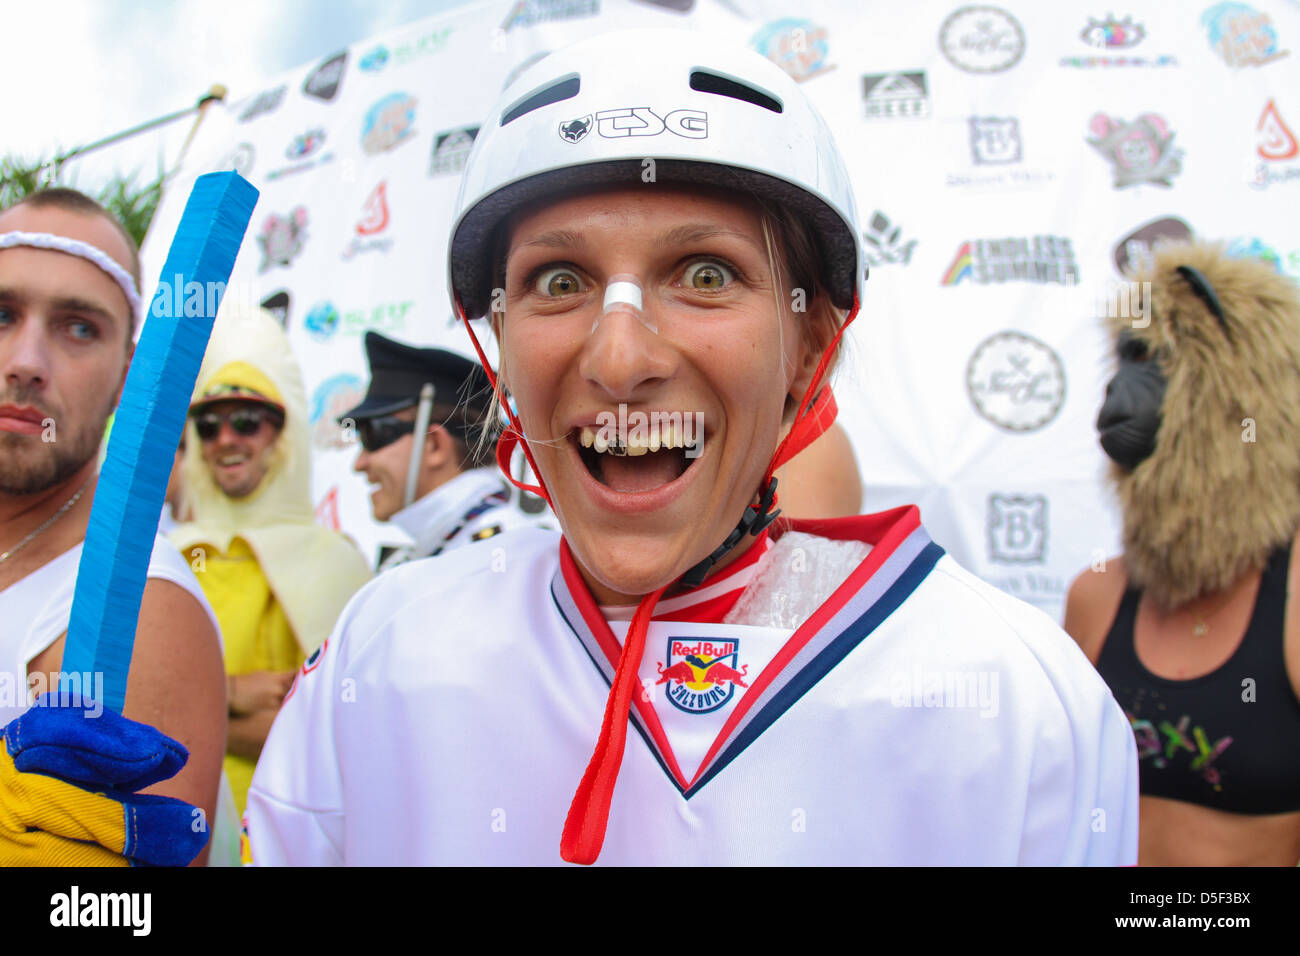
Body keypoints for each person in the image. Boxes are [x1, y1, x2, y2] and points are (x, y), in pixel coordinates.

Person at [247, 29, 1136, 865]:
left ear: (811, 347)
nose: (622, 357)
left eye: (706, 274)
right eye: (559, 281)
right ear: (503, 345)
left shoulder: (1019, 704)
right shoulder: (383, 658)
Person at [0, 187, 225, 864]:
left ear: (130, 377)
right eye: (1, 314)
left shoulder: (141, 610)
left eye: (78, 327)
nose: (26, 362)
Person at [1065, 242, 1300, 865]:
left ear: (1237, 387)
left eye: (1152, 360)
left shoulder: (1293, 600)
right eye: (1124, 357)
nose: (1120, 385)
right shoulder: (1098, 595)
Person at [169, 303, 372, 818]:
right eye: (208, 425)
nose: (226, 440)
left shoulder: (336, 564)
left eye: (246, 421)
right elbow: (117, 709)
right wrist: (231, 694)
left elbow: (350, 733)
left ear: (282, 436)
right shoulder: (166, 560)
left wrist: (198, 712)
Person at [341, 330, 549, 571]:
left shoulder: (501, 558)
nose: (359, 464)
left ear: (434, 445)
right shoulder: (445, 548)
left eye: (373, 437)